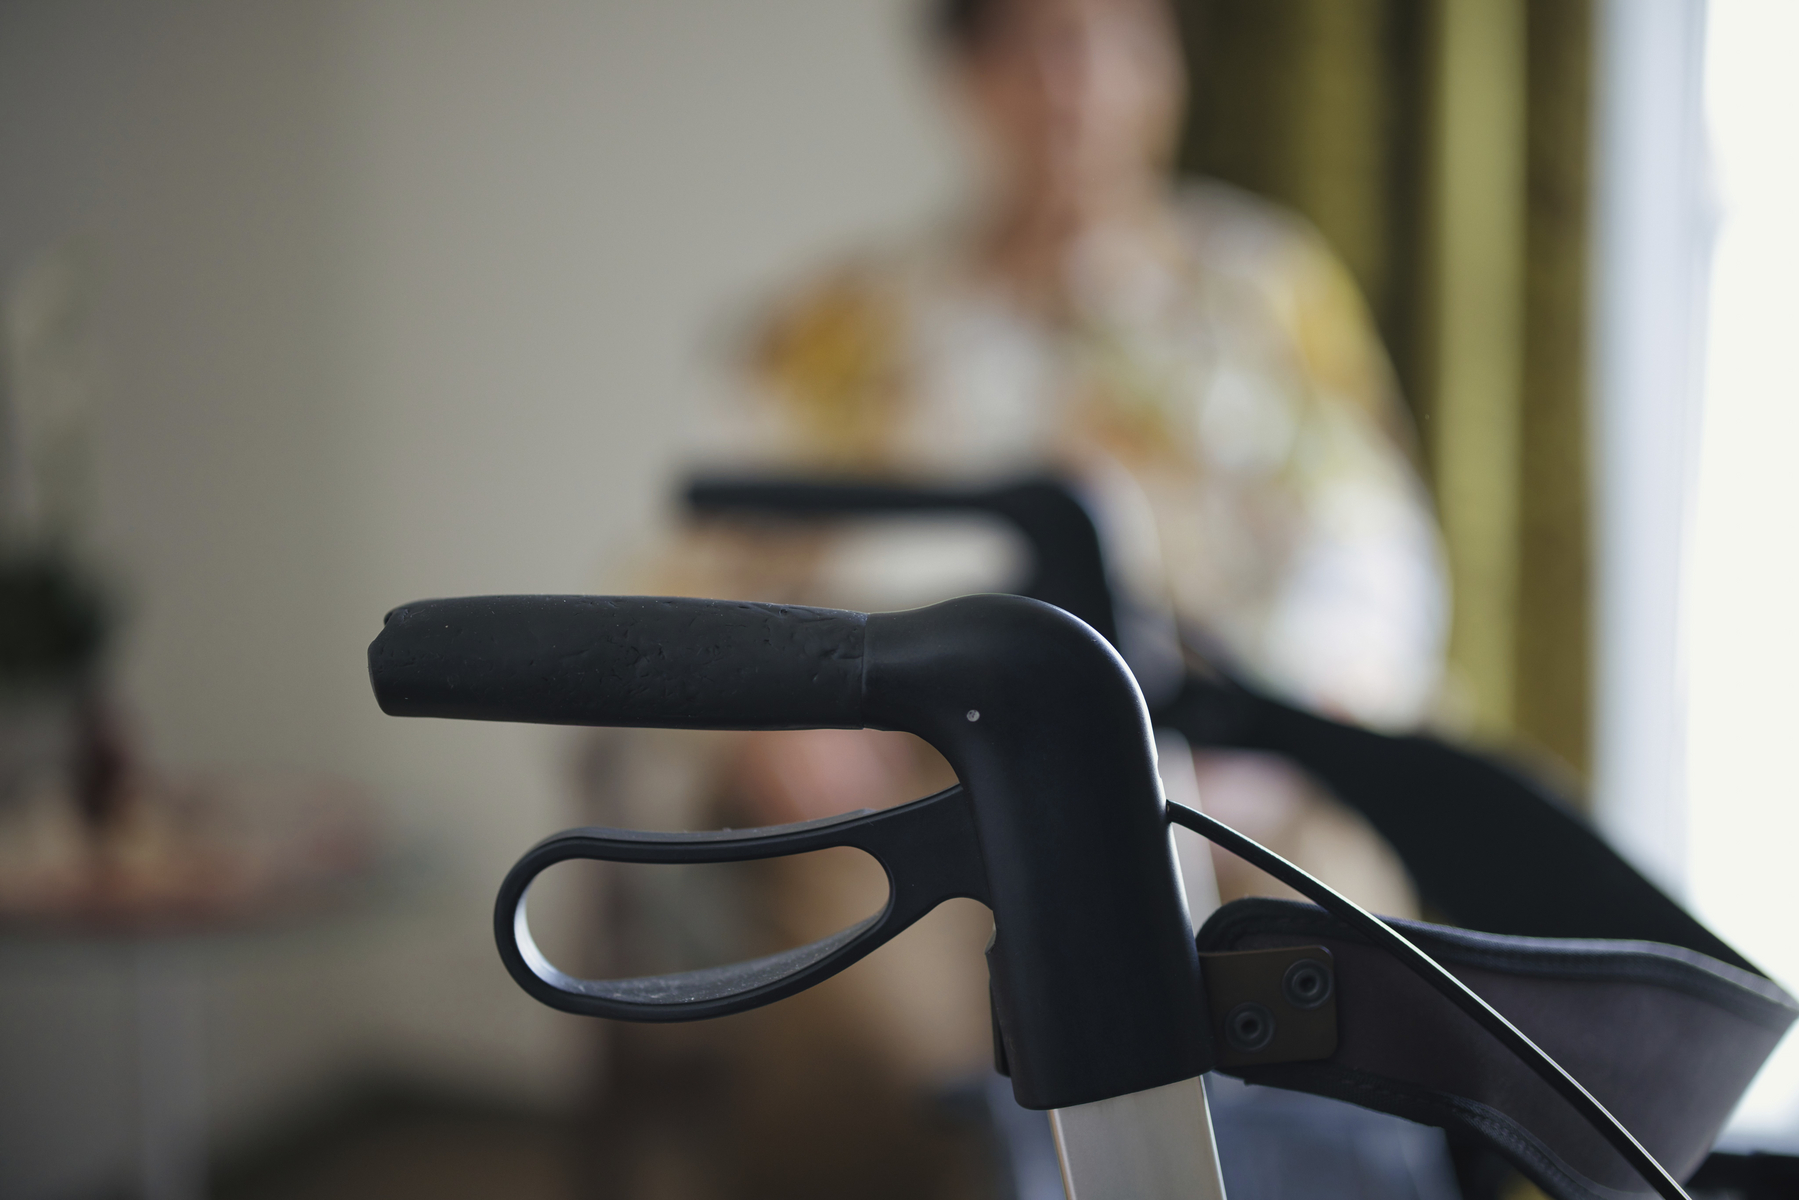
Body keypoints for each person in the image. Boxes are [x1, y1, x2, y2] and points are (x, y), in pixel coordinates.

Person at [583, 1, 1449, 1196]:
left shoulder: (1263, 292)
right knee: (876, 1061)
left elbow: (1369, 557)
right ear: (963, 77)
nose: (1076, 82)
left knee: (1356, 999)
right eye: (1033, 43)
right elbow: (688, 584)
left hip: (1228, 764)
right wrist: (761, 721)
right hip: (913, 786)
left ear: (1166, 67)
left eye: (1115, 40)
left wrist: (1285, 738)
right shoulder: (835, 327)